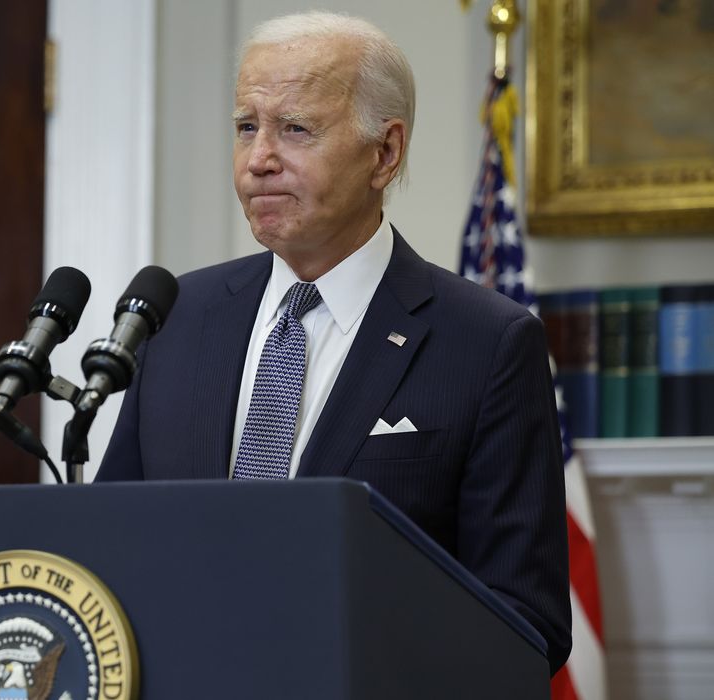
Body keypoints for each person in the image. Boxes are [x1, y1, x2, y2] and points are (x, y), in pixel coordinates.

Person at [96, 11, 573, 675]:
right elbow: (109, 549)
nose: (259, 159)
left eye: (294, 129)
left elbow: (525, 622)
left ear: (385, 152)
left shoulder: (487, 342)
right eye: (245, 128)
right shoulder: (178, 314)